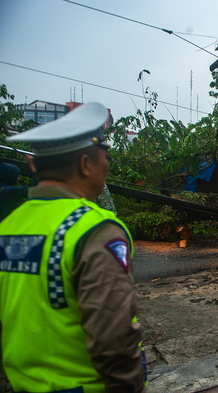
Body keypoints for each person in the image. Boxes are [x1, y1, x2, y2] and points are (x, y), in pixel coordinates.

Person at [0, 102, 146, 392]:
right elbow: (114, 339)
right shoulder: (94, 230)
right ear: (85, 164)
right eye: (105, 157)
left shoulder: (9, 226)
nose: (107, 165)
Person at [0, 155, 38, 221]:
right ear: (9, 175)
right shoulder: (10, 192)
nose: (18, 178)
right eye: (16, 175)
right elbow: (36, 187)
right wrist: (33, 166)